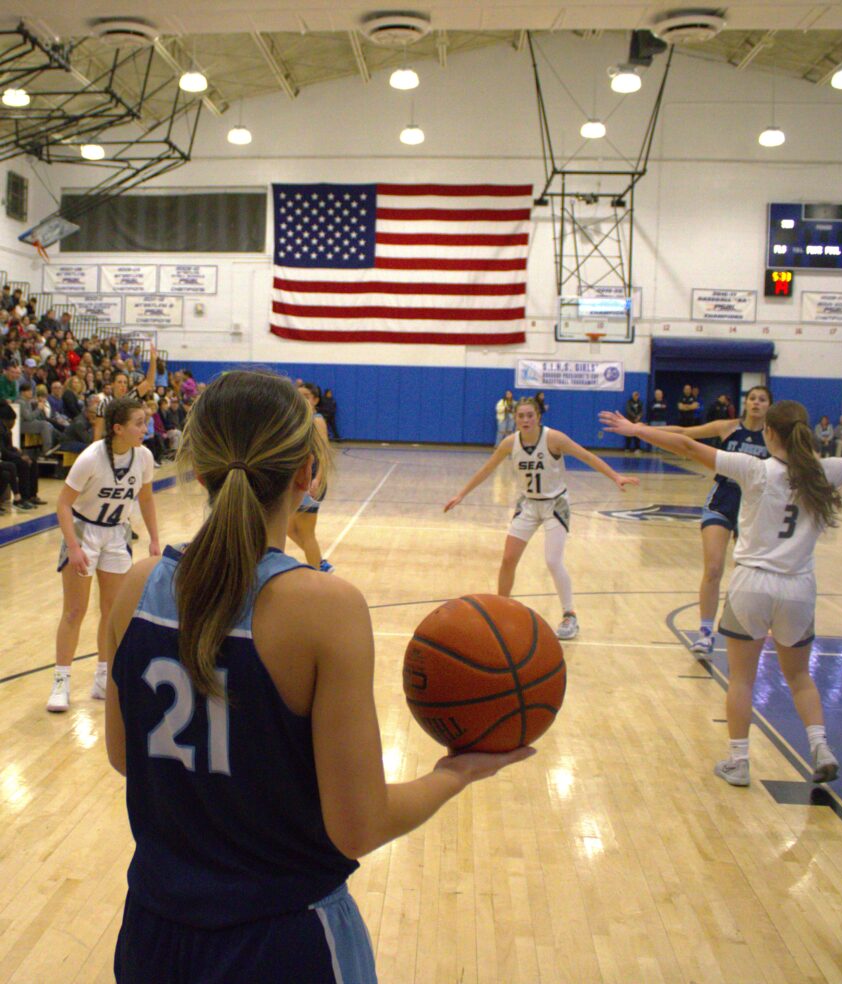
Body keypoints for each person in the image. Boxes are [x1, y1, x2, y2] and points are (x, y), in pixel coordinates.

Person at [103, 369, 531, 983]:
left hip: (152, 934)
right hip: (283, 940)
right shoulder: (326, 609)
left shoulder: (138, 590)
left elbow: (124, 757)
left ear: (198, 469)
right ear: (307, 474)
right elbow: (358, 826)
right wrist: (455, 772)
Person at [601, 402, 842, 786]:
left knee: (742, 679)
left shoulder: (755, 469)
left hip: (752, 585)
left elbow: (690, 448)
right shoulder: (826, 471)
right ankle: (820, 747)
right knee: (799, 677)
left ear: (769, 433)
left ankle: (739, 761)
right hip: (798, 588)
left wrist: (637, 430)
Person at [444, 396, 638, 640]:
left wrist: (615, 476)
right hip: (527, 504)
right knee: (508, 559)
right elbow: (487, 469)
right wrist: (461, 494)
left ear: (538, 417)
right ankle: (501, 611)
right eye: (521, 416)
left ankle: (570, 615)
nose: (525, 420)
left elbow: (586, 456)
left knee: (553, 561)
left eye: (529, 415)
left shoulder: (553, 438)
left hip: (555, 505)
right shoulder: (509, 443)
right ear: (515, 418)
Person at [47, 397, 160, 713]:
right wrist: (73, 546)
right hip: (84, 532)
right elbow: (63, 504)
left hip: (117, 533)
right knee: (75, 610)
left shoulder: (145, 457)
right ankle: (61, 682)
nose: (145, 427)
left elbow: (147, 500)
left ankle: (103, 678)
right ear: (118, 428)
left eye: (145, 421)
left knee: (112, 611)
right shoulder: (91, 458)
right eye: (139, 422)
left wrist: (154, 539)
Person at [660, 386, 773, 658]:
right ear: (745, 403)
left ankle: (749, 628)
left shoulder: (773, 437)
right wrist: (641, 429)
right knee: (713, 568)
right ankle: (705, 632)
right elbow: (687, 434)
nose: (756, 403)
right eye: (752, 399)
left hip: (755, 508)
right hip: (722, 500)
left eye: (762, 400)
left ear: (769, 405)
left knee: (751, 573)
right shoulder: (727, 427)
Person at [286, 382, 334, 573]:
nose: (302, 399)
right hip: (298, 479)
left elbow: (324, 453)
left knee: (306, 532)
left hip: (311, 479)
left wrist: (318, 479)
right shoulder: (298, 419)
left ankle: (318, 572)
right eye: (299, 396)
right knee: (289, 528)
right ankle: (320, 563)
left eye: (306, 396)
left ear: (315, 399)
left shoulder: (316, 420)